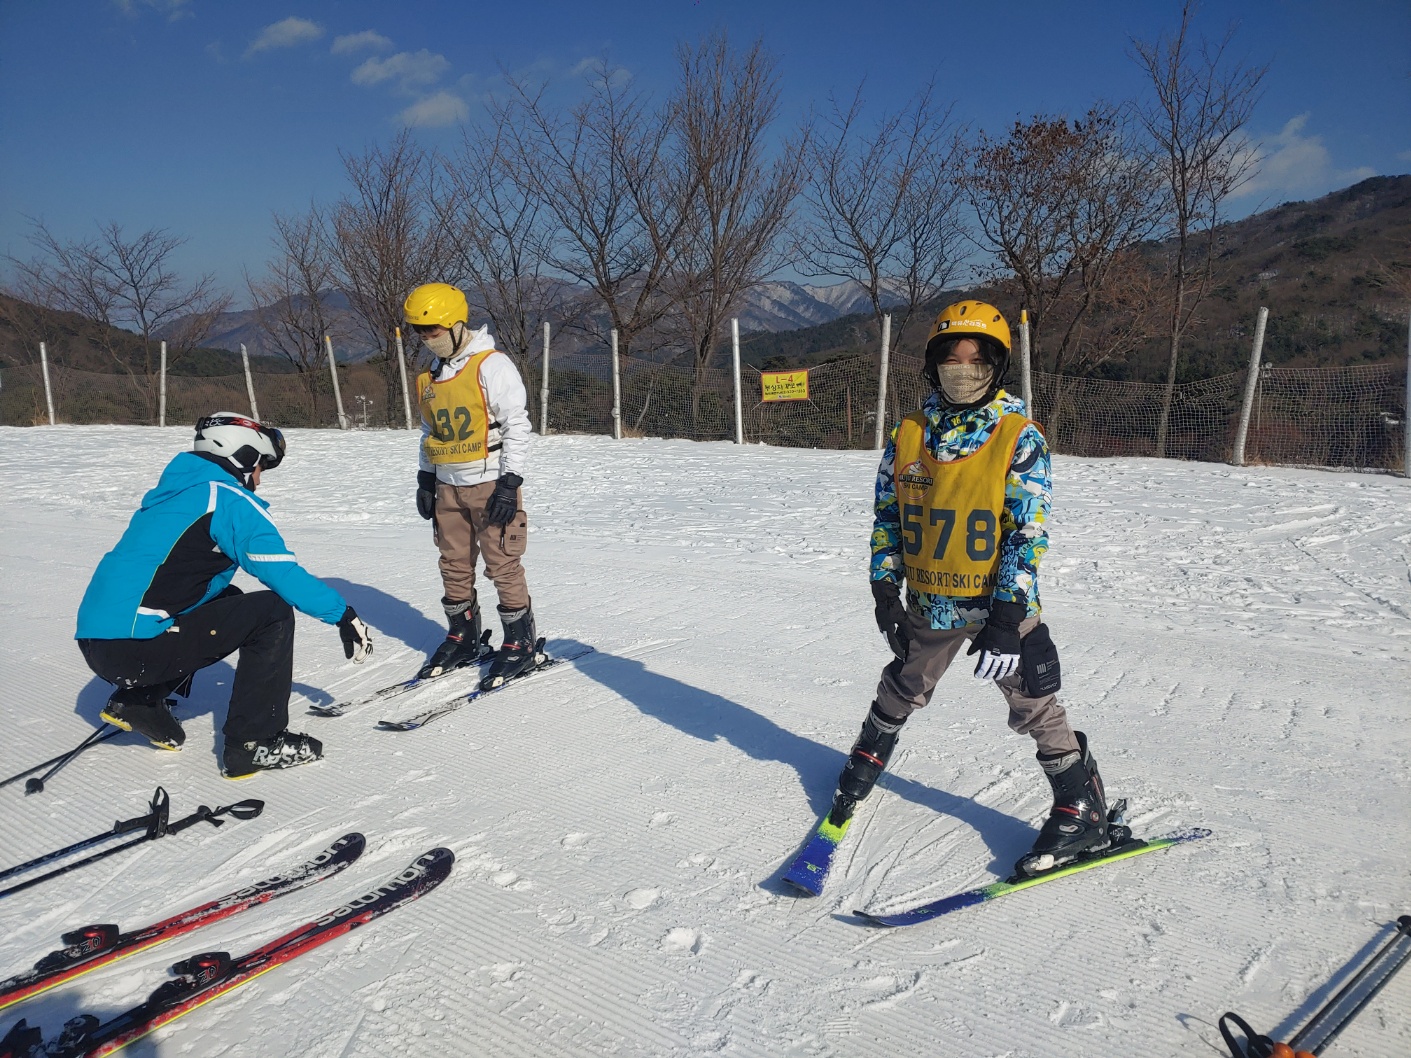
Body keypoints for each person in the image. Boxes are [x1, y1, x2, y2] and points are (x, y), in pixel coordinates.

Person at [832, 300, 1116, 878]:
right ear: (933, 364)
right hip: (930, 601)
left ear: (996, 367)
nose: (962, 370)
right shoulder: (909, 433)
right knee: (904, 682)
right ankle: (867, 757)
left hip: (996, 609)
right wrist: (885, 588)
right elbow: (889, 517)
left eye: (976, 360)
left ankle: (1080, 804)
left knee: (1033, 701)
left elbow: (1026, 530)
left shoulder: (1018, 435)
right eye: (951, 358)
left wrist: (1009, 617)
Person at [75, 413, 373, 779]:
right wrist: (343, 614)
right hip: (134, 649)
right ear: (243, 458)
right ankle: (255, 744)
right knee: (271, 612)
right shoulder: (226, 498)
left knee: (227, 597)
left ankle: (138, 701)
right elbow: (279, 571)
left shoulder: (178, 495)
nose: (260, 479)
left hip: (100, 642)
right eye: (261, 467)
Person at [404, 282, 539, 690]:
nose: (428, 339)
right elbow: (430, 429)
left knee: (502, 563)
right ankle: (461, 636)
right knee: (453, 563)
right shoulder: (429, 376)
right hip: (447, 485)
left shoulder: (491, 366)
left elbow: (517, 425)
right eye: (420, 332)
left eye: (434, 330)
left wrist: (508, 482)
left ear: (457, 324)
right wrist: (426, 477)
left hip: (489, 483)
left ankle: (520, 642)